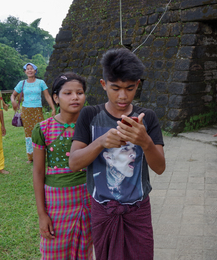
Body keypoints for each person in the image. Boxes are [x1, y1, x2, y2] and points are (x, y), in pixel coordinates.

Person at [69, 48, 166, 260]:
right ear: (104, 85)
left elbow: (159, 168)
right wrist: (100, 142)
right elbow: (74, 163)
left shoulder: (146, 117)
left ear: (137, 85)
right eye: (115, 88)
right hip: (103, 210)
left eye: (130, 88)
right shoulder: (90, 115)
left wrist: (145, 142)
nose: (122, 96)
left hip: (138, 210)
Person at [32, 72, 93, 259]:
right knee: (53, 251)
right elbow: (38, 171)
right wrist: (42, 214)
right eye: (68, 93)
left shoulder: (93, 126)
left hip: (89, 198)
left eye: (80, 92)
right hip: (57, 200)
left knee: (85, 250)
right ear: (56, 98)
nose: (75, 97)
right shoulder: (43, 129)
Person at [11, 63, 56, 163]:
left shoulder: (41, 82)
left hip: (37, 110)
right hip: (26, 111)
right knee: (28, 134)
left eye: (32, 69)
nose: (30, 70)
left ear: (35, 71)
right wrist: (13, 102)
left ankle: (42, 155)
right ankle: (30, 157)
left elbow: (47, 96)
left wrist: (53, 108)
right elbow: (13, 95)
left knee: (41, 132)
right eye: (28, 69)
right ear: (25, 71)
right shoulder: (21, 83)